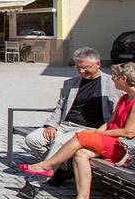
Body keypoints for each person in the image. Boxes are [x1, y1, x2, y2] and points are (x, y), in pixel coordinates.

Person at [18, 62, 135, 199]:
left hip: (124, 148)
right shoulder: (125, 98)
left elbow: (129, 133)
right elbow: (110, 122)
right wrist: (98, 132)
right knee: (81, 153)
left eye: (115, 76)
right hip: (110, 142)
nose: (112, 79)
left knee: (81, 136)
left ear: (124, 79)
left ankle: (46, 166)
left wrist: (95, 133)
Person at [23, 47, 118, 185]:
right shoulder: (71, 83)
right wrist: (51, 124)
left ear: (98, 64)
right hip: (64, 124)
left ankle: (35, 182)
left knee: (59, 142)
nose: (81, 71)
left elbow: (118, 112)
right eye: (78, 67)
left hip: (88, 129)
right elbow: (60, 106)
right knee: (32, 139)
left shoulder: (113, 85)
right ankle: (64, 168)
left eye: (85, 68)